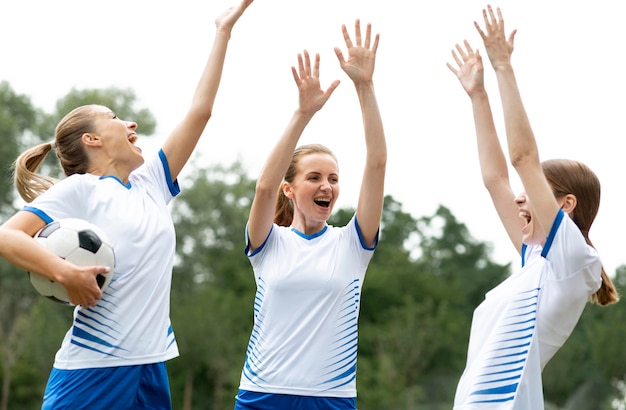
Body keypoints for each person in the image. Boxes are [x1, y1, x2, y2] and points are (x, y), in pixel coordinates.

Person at [0, 1, 252, 408]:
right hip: (93, 370)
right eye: (116, 118)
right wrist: (66, 273)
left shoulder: (151, 183)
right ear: (92, 140)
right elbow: (7, 238)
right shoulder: (81, 189)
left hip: (151, 367)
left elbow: (200, 112)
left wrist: (223, 30)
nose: (131, 124)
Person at [446, 5, 619, 409]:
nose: (520, 197)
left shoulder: (574, 259)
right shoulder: (537, 258)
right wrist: (477, 95)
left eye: (534, 190)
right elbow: (496, 179)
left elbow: (522, 158)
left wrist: (503, 66)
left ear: (566, 204)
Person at [234, 19, 386, 410]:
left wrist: (365, 87)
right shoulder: (268, 242)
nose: (327, 186)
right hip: (261, 395)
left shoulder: (352, 244)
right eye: (314, 177)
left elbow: (377, 164)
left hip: (331, 398)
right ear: (291, 188)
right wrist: (303, 113)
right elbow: (264, 187)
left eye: (333, 179)